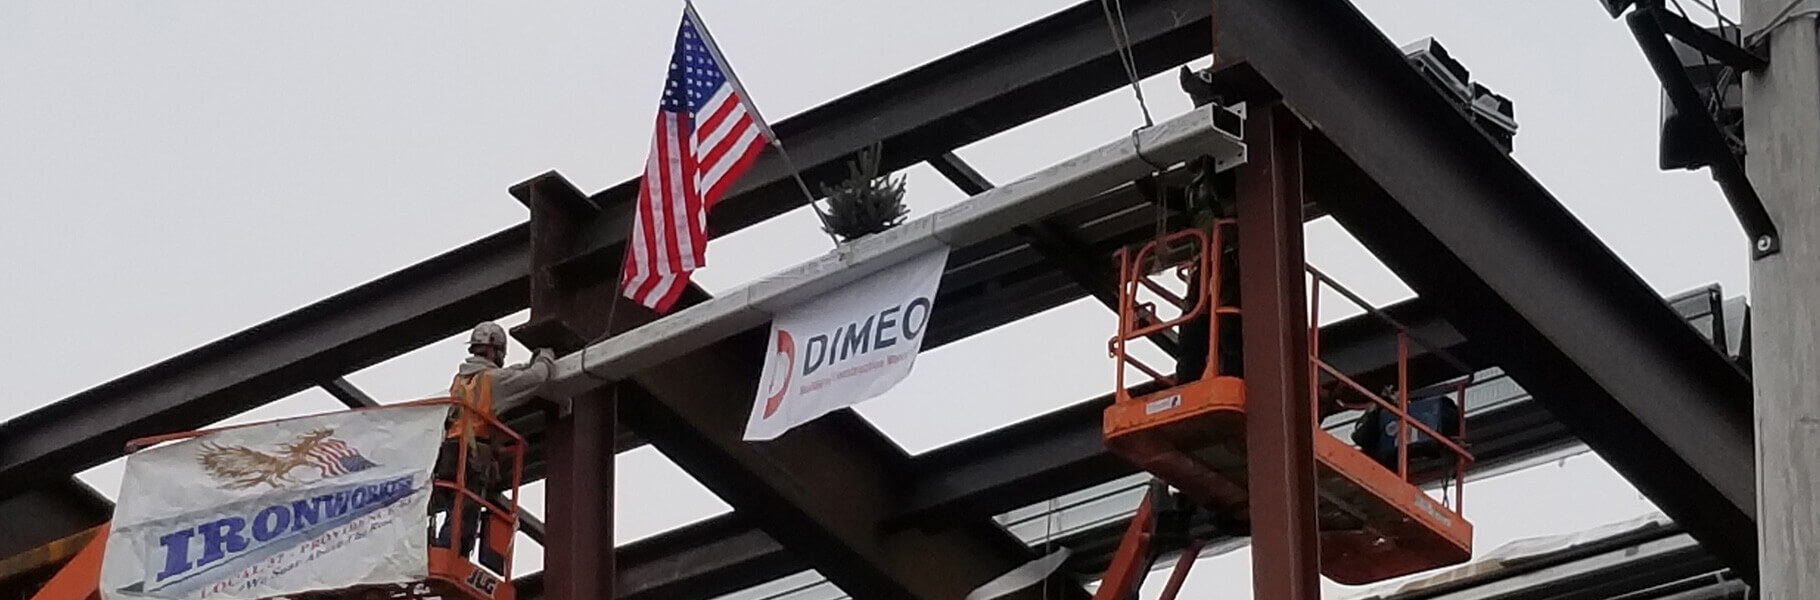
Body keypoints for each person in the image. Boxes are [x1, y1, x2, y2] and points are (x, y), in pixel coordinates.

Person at [433, 322, 554, 571]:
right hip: (472, 452)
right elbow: (537, 378)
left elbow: (510, 375)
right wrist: (546, 357)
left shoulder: (461, 380)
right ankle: (450, 556)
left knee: (457, 504)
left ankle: (446, 552)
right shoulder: (491, 381)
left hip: (451, 452)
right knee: (465, 508)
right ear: (494, 351)